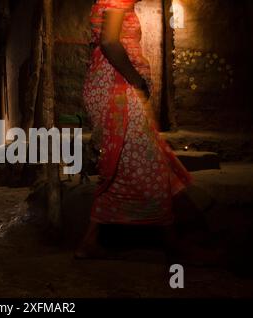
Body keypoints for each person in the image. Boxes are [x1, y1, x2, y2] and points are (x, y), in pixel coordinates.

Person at [76, 0, 193, 259]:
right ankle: (171, 242)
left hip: (109, 86)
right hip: (117, 89)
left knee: (122, 163)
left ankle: (90, 242)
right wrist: (137, 79)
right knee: (150, 163)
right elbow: (109, 43)